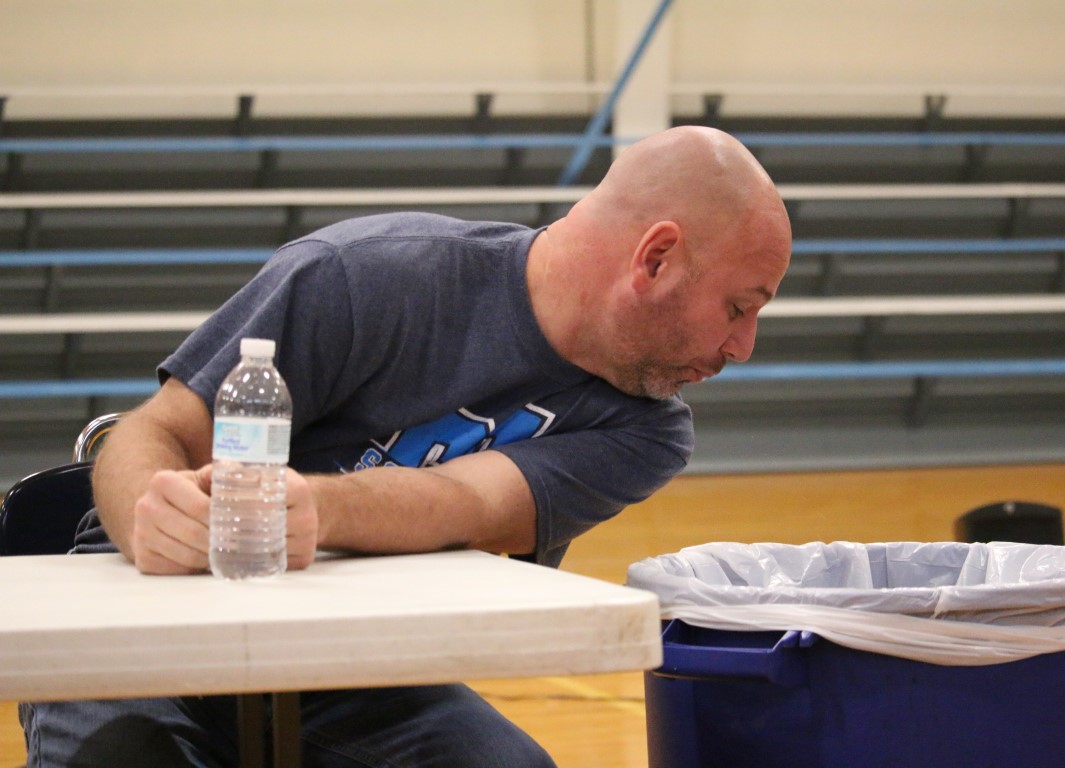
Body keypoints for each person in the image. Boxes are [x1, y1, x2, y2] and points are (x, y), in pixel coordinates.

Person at [20, 125, 792, 767]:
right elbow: (153, 430)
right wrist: (147, 516)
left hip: (341, 662)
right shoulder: (368, 275)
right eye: (738, 306)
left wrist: (306, 509)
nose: (744, 346)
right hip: (149, 617)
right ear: (655, 258)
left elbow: (466, 501)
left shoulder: (647, 427)